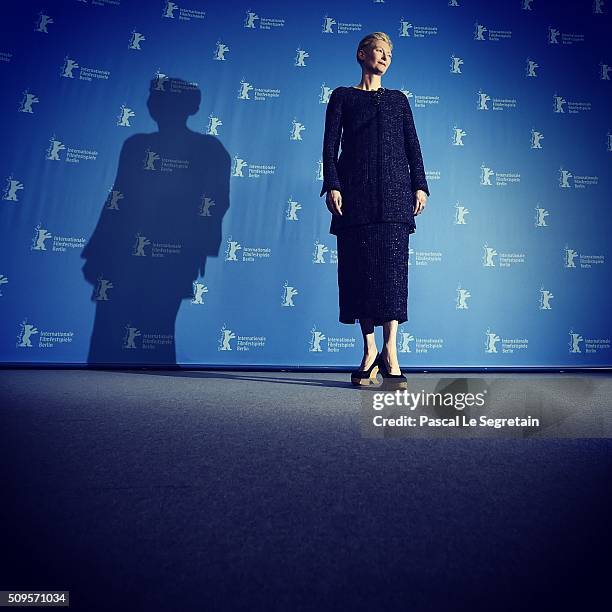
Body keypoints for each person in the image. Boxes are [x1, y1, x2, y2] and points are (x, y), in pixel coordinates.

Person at [320, 32, 430, 389]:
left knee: (393, 279)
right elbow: (329, 146)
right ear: (361, 54)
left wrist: (420, 185)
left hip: (396, 200)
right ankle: (369, 352)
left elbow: (413, 146)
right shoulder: (343, 96)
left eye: (389, 54)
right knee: (360, 275)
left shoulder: (399, 100)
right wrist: (333, 184)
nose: (384, 57)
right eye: (378, 51)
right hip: (354, 198)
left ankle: (391, 352)